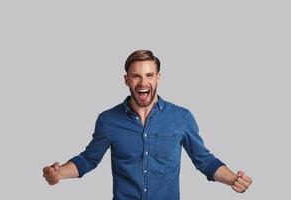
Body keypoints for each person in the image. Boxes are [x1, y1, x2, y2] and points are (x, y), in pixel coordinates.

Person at [43, 50, 252, 199]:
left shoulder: (182, 117)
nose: (143, 83)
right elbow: (88, 160)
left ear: (158, 78)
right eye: (136, 76)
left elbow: (204, 161)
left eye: (149, 75)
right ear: (127, 80)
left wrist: (234, 179)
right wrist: (58, 173)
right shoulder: (108, 120)